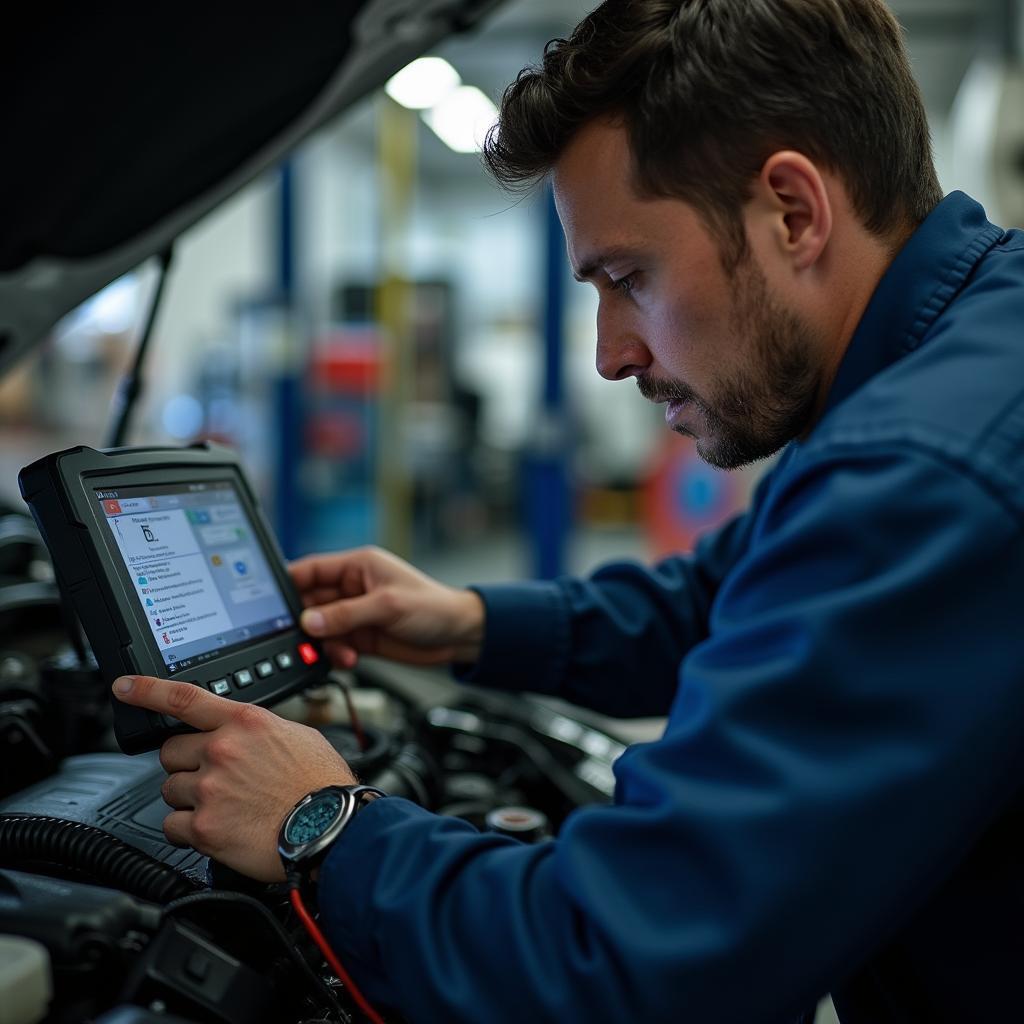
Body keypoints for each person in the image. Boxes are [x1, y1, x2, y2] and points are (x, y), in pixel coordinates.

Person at [112, 1, 1024, 1021]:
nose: (610, 354)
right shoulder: (964, 351)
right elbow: (733, 596)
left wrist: (322, 823)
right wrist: (470, 622)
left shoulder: (920, 465)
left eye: (626, 277)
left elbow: (624, 962)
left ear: (792, 213)